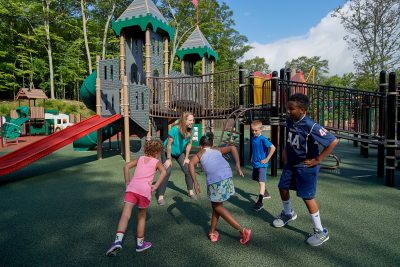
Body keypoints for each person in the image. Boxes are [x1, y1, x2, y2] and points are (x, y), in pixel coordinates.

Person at [272, 93, 339, 246]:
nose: (288, 111)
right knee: (282, 187)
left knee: (307, 197)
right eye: (287, 108)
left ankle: (321, 231)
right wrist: (284, 150)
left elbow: (333, 141)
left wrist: (318, 159)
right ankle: (288, 213)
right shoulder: (290, 120)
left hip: (306, 166)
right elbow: (288, 137)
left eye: (291, 109)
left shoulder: (310, 125)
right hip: (291, 163)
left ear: (302, 110)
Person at [106, 140, 167, 256]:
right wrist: (156, 186)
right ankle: (140, 244)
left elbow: (126, 166)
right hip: (144, 191)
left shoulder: (140, 159)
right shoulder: (156, 162)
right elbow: (164, 172)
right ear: (158, 152)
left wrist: (127, 181)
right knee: (141, 217)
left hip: (132, 188)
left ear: (145, 150)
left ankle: (117, 241)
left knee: (125, 214)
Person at [189, 133, 252, 244]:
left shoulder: (200, 153)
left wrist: (195, 182)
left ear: (201, 146)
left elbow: (190, 164)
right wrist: (237, 164)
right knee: (216, 205)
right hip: (227, 176)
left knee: (217, 206)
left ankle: (242, 230)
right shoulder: (217, 150)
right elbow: (233, 147)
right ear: (211, 144)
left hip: (215, 180)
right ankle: (212, 232)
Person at [157, 111, 196, 205]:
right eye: (190, 120)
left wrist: (186, 157)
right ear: (184, 120)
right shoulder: (174, 129)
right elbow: (169, 145)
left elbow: (189, 144)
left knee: (187, 169)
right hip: (167, 151)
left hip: (179, 152)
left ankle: (190, 191)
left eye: (193, 120)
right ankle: (160, 196)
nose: (192, 122)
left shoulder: (191, 130)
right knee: (167, 171)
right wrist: (169, 159)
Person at [250, 120, 276, 211]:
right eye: (252, 130)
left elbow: (273, 148)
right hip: (255, 163)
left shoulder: (263, 139)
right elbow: (254, 149)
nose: (254, 132)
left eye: (256, 130)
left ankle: (260, 202)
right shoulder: (253, 138)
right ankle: (265, 193)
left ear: (261, 129)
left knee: (261, 182)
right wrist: (252, 157)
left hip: (262, 164)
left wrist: (267, 159)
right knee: (257, 179)